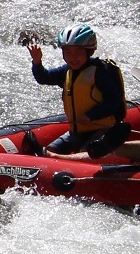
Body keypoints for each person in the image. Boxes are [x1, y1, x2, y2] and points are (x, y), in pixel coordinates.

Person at [26, 24, 130, 159]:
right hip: (77, 131)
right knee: (52, 148)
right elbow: (44, 78)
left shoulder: (100, 72)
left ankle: (53, 156)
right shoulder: (67, 71)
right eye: (68, 52)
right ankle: (47, 155)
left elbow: (113, 101)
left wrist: (91, 115)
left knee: (85, 151)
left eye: (78, 52)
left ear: (89, 52)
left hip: (103, 129)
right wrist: (37, 62)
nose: (73, 58)